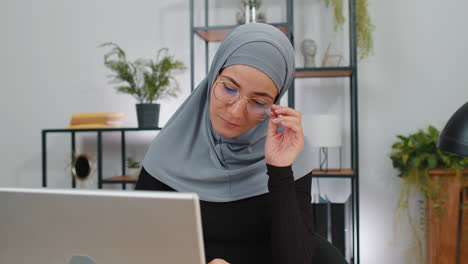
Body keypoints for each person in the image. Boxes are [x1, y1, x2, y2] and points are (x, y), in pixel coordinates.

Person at [136, 23, 347, 264]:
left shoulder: (289, 151)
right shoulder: (168, 150)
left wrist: (279, 169)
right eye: (229, 88)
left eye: (259, 102)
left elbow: (296, 259)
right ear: (213, 75)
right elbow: (141, 248)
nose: (236, 113)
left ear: (275, 104)